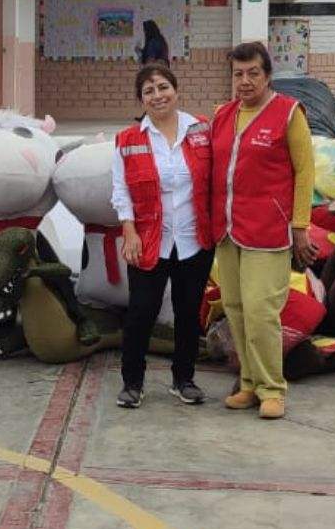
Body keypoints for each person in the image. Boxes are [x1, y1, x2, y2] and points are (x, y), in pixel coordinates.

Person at [210, 42, 316, 419]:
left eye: (253, 73)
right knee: (236, 308)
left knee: (260, 310)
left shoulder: (288, 114)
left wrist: (300, 225)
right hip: (226, 229)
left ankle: (273, 388)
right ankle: (250, 383)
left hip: (269, 229)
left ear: (267, 75)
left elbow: (305, 172)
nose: (245, 81)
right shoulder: (222, 115)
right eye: (238, 74)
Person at [110, 64, 214, 408]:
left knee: (188, 312)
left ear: (176, 89)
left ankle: (184, 379)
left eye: (163, 87)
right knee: (141, 312)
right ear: (141, 99)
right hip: (149, 239)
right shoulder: (128, 139)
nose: (158, 96)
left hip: (194, 240)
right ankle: (132, 383)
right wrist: (129, 229)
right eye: (149, 91)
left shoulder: (201, 130)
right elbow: (120, 188)